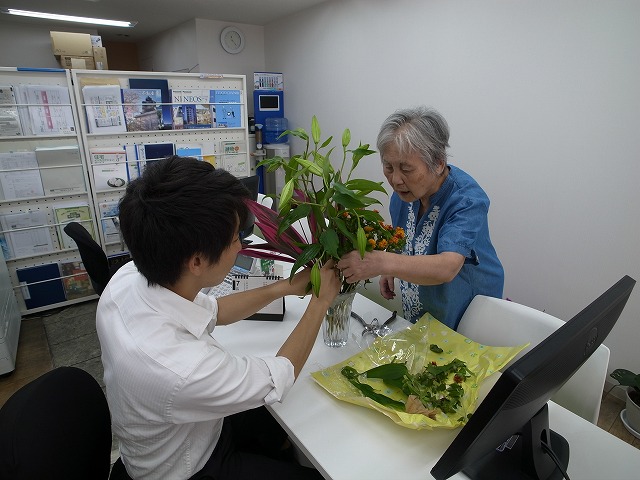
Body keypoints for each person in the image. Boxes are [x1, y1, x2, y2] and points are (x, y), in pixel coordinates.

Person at [96, 156, 340, 480]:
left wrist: (283, 287)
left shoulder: (128, 280)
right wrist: (320, 304)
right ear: (197, 261)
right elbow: (277, 377)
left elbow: (216, 312)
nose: (241, 246)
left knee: (278, 429)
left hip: (185, 430)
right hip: (189, 468)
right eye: (236, 238)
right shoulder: (181, 367)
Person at [337, 106, 503, 330]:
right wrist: (390, 265)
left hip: (472, 315)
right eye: (388, 167)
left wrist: (382, 262)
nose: (395, 179)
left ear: (438, 163)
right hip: (423, 313)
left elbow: (447, 267)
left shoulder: (467, 200)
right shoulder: (404, 196)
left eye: (406, 168)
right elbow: (403, 239)